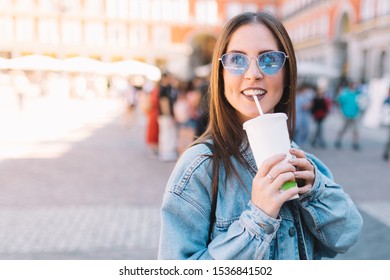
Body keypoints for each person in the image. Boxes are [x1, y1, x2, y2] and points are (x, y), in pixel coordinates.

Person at [158, 12, 362, 260]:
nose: (253, 73)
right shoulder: (199, 168)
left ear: (287, 74)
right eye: (237, 59)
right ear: (220, 75)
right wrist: (258, 218)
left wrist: (315, 191)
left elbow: (347, 236)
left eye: (269, 59)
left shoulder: (301, 161)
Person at [334, 81, 362, 151]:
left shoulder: (358, 93)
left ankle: (355, 143)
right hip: (346, 114)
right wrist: (341, 111)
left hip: (355, 114)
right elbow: (338, 101)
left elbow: (362, 102)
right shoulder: (345, 93)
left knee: (355, 130)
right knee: (343, 129)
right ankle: (338, 141)